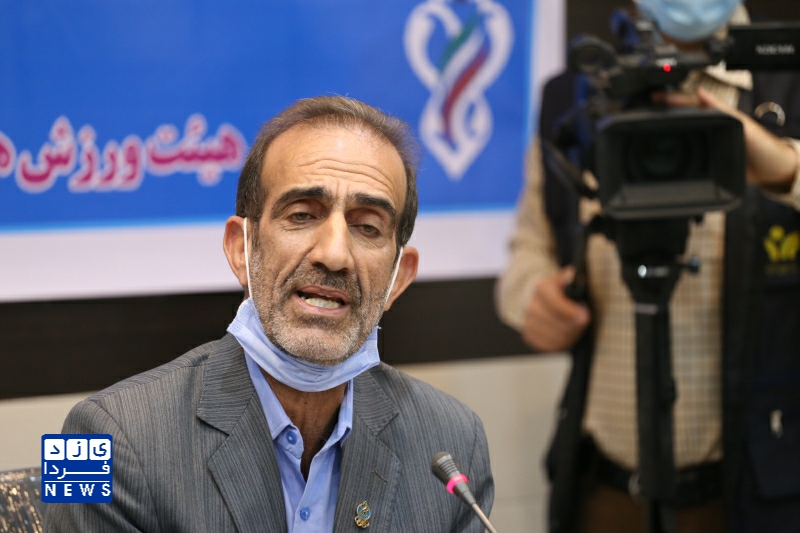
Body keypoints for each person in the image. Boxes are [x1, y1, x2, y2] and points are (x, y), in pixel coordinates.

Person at [45, 96, 494, 532]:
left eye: (367, 226)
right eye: (301, 215)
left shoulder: (456, 442)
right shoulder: (90, 440)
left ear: (398, 277)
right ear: (241, 249)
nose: (334, 254)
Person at [496, 1, 800, 532]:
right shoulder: (575, 93)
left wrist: (786, 170)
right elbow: (530, 246)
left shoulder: (788, 81)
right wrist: (533, 297)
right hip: (605, 492)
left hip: (755, 492)